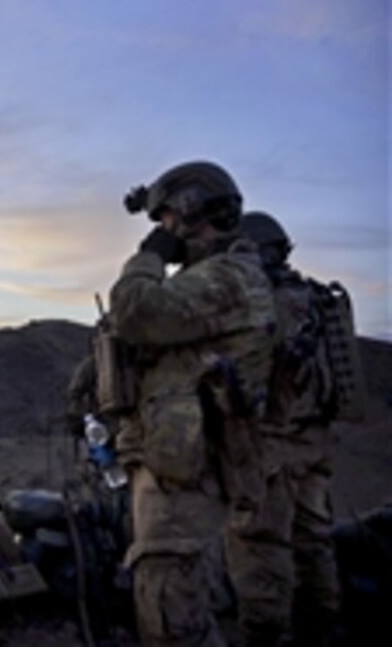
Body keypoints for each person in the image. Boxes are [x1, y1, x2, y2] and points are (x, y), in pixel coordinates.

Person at [105, 161, 277, 646]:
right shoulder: (215, 280)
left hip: (187, 479)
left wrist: (148, 256)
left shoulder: (229, 278)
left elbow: (135, 311)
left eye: (166, 221)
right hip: (179, 467)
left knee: (173, 615)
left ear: (190, 209)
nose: (164, 231)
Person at [225, 211, 346, 646]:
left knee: (259, 543)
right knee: (314, 537)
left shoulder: (265, 302)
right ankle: (323, 624)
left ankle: (266, 634)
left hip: (273, 443)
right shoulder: (312, 297)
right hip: (314, 440)